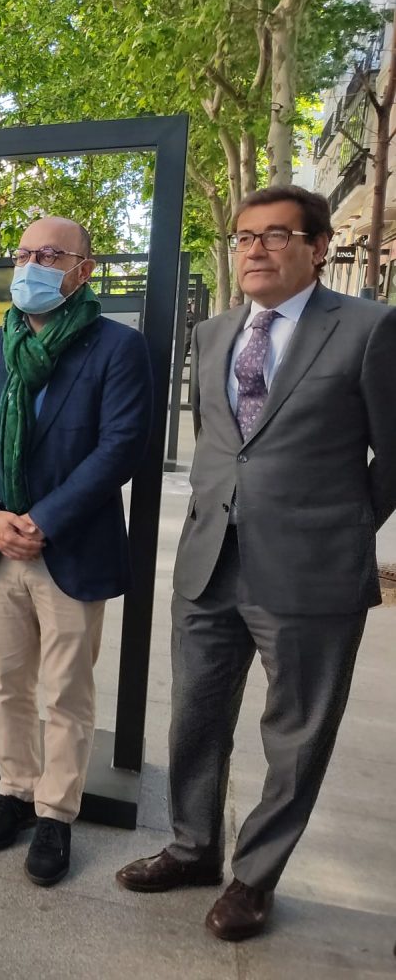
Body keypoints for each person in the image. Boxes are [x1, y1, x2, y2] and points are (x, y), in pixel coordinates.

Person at [116, 186, 396, 941]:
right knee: (195, 715)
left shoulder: (368, 329)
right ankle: (191, 848)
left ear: (318, 247)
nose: (255, 250)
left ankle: (253, 877)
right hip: (210, 560)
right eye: (244, 237)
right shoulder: (212, 334)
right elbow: (222, 444)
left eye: (276, 235)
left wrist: (341, 529)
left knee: (296, 733)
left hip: (311, 572)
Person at [0, 216, 152, 886]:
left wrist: (42, 520)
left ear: (82, 270)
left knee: (65, 692)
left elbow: (119, 448)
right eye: (22, 254)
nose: (30, 266)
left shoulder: (116, 348)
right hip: (0, 548)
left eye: (48, 255)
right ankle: (14, 791)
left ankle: (55, 814)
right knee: (8, 683)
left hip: (71, 551)